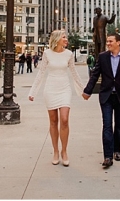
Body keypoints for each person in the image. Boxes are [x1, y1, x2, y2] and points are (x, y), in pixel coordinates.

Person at [28, 30, 85, 167]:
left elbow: (74, 72)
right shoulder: (47, 54)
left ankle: (64, 151)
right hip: (50, 89)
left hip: (64, 88)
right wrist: (33, 92)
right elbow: (41, 73)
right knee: (53, 121)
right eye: (64, 37)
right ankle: (55, 151)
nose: (66, 39)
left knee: (64, 119)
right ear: (57, 39)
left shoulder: (69, 54)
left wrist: (84, 90)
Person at [82, 32, 120, 169]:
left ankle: (116, 150)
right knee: (107, 125)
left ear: (118, 42)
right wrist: (87, 90)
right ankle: (107, 156)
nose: (108, 43)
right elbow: (95, 75)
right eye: (107, 41)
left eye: (111, 41)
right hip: (106, 96)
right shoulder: (102, 57)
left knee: (119, 125)